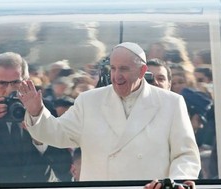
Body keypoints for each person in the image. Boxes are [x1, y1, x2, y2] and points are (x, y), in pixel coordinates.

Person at [18, 42, 201, 181]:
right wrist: (36, 112)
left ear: (142, 70)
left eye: (124, 69)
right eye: (113, 68)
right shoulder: (89, 101)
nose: (116, 76)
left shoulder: (171, 103)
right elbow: (58, 134)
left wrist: (174, 186)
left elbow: (186, 155)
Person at [0, 52, 72, 184]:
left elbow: (64, 165)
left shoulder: (45, 109)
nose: (10, 89)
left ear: (27, 82)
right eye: (3, 83)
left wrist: (40, 133)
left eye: (16, 82)